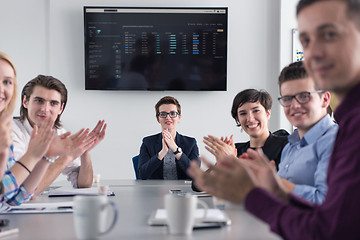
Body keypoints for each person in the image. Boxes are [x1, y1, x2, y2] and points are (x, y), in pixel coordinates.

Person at [188, 0, 360, 239]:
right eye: (306, 41)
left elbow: (327, 224)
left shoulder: (336, 135)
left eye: (329, 34)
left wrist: (257, 192)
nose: (314, 53)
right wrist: (271, 187)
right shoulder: (293, 144)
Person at [12, 75, 106, 197]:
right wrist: (67, 157)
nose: (45, 109)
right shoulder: (10, 131)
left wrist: (84, 151)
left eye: (53, 103)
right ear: (25, 101)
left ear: (60, 108)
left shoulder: (60, 133)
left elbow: (83, 185)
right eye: (39, 101)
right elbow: (23, 191)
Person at [276, 61, 338, 204]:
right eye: (287, 99)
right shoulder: (290, 147)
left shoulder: (336, 141)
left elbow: (326, 202)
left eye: (304, 96)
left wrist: (276, 184)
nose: (295, 105)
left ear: (325, 99)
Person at [0, 51, 56, 207]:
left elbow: (16, 197)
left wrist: (46, 157)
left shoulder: (3, 128)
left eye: (7, 82)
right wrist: (32, 156)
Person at [204, 89, 289, 169]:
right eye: (243, 113)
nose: (250, 119)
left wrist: (234, 162)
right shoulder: (236, 149)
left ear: (268, 113)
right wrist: (221, 163)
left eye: (256, 111)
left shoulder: (287, 145)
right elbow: (200, 184)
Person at [138, 96, 200, 180]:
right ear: (158, 118)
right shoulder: (148, 142)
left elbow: (196, 174)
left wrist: (175, 149)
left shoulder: (191, 143)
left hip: (184, 191)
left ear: (179, 117)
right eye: (163, 114)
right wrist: (162, 153)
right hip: (155, 191)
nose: (168, 117)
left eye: (173, 113)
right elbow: (142, 175)